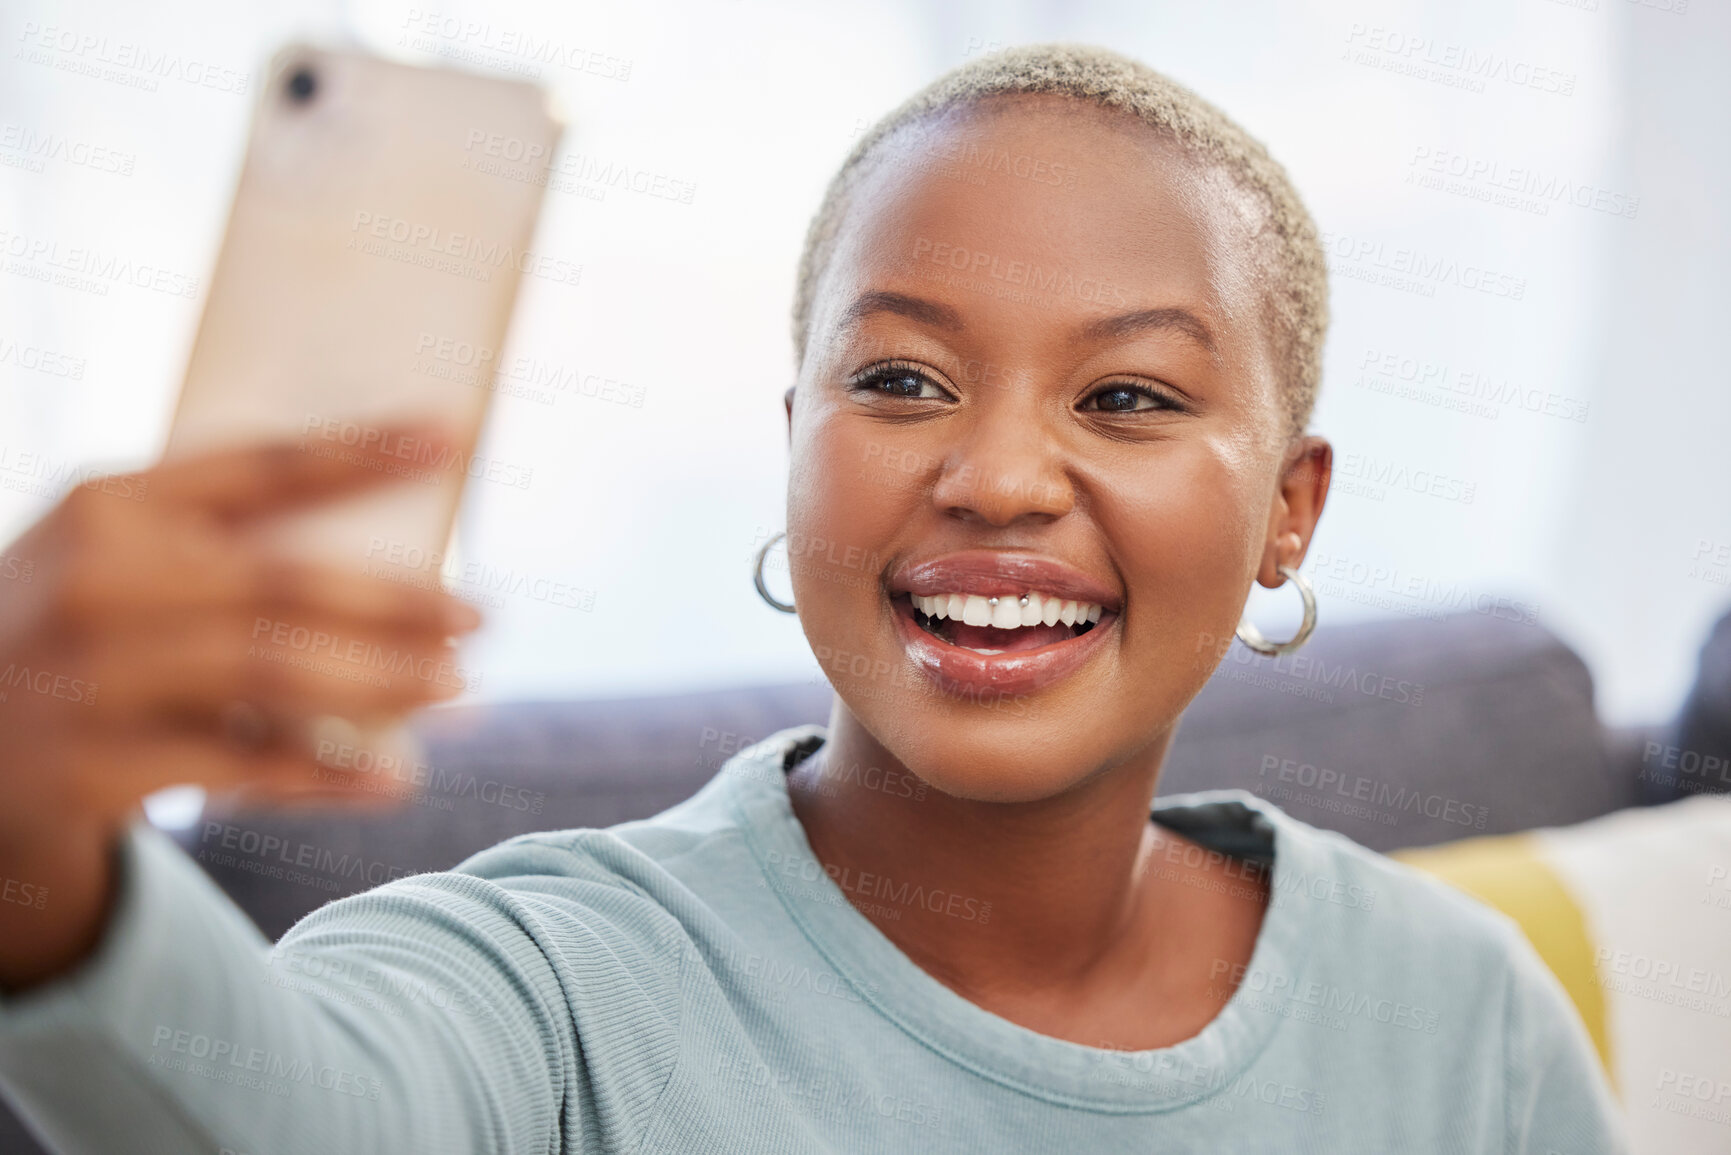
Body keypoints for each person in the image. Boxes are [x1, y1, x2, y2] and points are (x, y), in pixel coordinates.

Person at [0, 44, 1623, 1154]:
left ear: (1289, 510)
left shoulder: (1461, 1019)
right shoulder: (555, 985)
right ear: (796, 451)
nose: (995, 477)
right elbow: (262, 1109)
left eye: (1126, 398)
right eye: (902, 378)